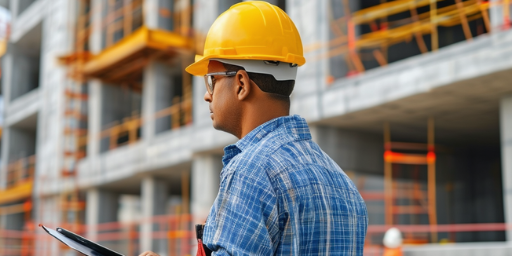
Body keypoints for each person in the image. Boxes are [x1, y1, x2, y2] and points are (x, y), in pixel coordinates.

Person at [140, 1, 367, 255]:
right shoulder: (345, 186)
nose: (207, 95)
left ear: (240, 84)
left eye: (212, 81)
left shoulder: (252, 171)